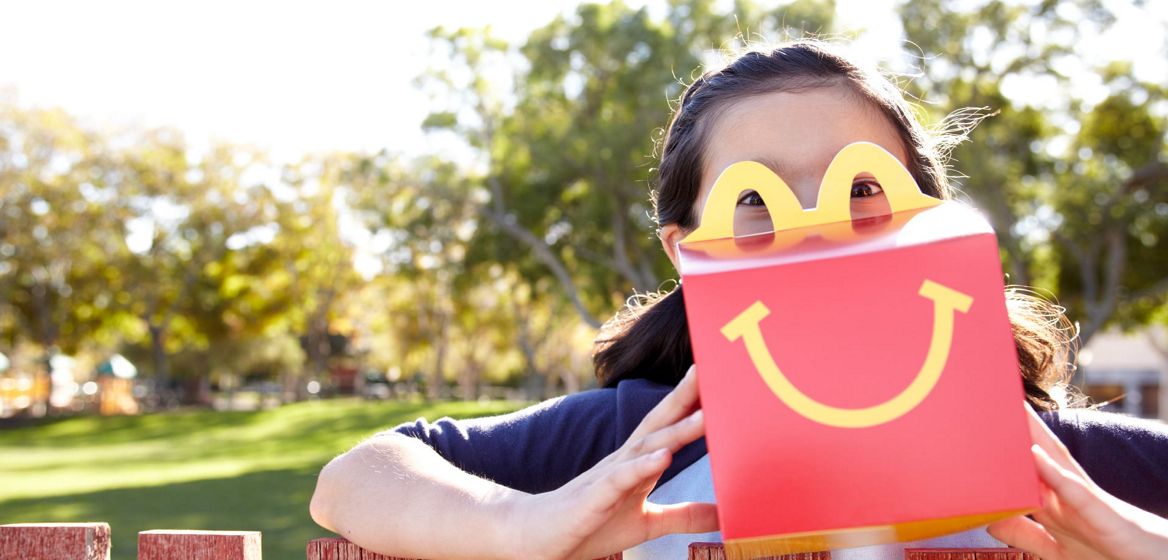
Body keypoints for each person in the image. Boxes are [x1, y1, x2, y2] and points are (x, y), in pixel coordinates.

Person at [309, 40, 1168, 560]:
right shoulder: (645, 441)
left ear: (930, 217)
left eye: (860, 188)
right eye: (756, 202)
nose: (816, 231)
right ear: (686, 251)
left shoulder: (1050, 461)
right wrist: (525, 526)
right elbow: (355, 478)